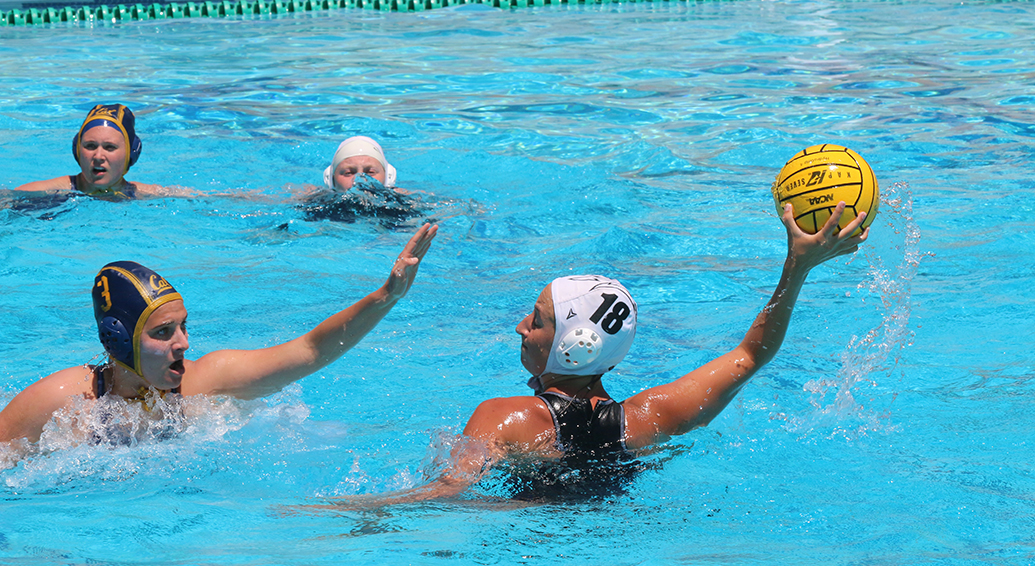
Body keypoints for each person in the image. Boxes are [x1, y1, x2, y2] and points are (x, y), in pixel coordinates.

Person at [336, 203, 868, 503]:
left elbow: (450, 489)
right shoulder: (647, 419)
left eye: (538, 320)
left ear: (574, 345)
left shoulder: (506, 416)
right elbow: (752, 355)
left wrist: (348, 511)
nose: (520, 326)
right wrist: (797, 266)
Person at [0, 223, 438, 453]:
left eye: (184, 326)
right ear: (118, 341)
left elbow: (310, 350)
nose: (184, 344)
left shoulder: (206, 380)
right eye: (163, 332)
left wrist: (386, 297)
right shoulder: (63, 402)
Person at [13, 104, 165, 200]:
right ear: (77, 150)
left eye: (109, 147)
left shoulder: (149, 195)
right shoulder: (40, 193)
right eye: (90, 146)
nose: (98, 156)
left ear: (130, 154)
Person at [298, 135, 425, 225]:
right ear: (331, 180)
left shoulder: (403, 207)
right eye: (348, 173)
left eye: (370, 172)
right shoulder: (317, 207)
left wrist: (413, 202)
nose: (360, 179)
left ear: (388, 178)